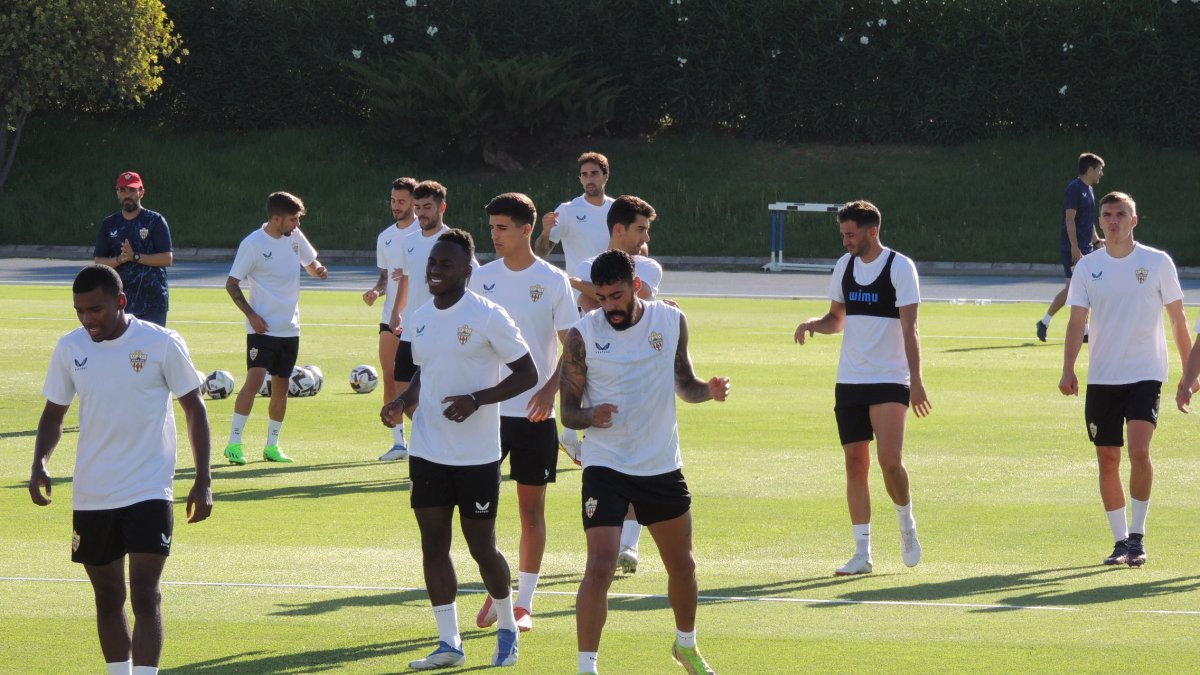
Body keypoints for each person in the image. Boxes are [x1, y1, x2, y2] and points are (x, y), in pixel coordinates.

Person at [29, 264, 212, 675]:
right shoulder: (69, 348)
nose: (87, 319)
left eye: (95, 309)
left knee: (146, 595)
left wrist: (203, 478)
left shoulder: (161, 343)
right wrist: (40, 462)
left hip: (149, 487)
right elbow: (53, 414)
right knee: (108, 597)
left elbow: (194, 409)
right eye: (80, 311)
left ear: (121, 302)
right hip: (93, 491)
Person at [562, 249, 729, 675]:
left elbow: (685, 384)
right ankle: (586, 667)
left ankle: (685, 646)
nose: (608, 307)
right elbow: (568, 411)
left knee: (683, 565)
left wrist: (708, 391)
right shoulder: (582, 335)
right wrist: (589, 416)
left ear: (635, 286)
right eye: (600, 298)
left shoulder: (670, 320)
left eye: (616, 296)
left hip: (659, 464)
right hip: (606, 464)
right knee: (600, 564)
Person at [380, 229, 537, 669]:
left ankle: (507, 626)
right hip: (429, 450)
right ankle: (449, 643)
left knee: (480, 546)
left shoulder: (489, 316)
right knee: (433, 545)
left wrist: (477, 401)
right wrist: (401, 402)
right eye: (432, 263)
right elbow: (424, 373)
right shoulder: (421, 317)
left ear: (467, 271)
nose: (434, 270)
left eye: (445, 265)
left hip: (476, 456)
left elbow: (528, 374)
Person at [794, 200, 930, 576]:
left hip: (890, 379)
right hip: (850, 380)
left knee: (889, 463)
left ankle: (906, 523)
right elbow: (837, 319)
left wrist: (916, 381)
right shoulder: (845, 266)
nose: (845, 241)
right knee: (855, 464)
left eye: (851, 234)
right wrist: (812, 324)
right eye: (843, 234)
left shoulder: (900, 268)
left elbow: (910, 329)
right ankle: (862, 554)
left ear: (873, 231)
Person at [1061, 192, 1192, 568]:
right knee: (1107, 458)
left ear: (1134, 220)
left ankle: (1137, 537)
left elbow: (1178, 319)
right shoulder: (1088, 267)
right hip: (1103, 376)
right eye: (1107, 215)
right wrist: (1068, 368)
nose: (1113, 220)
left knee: (1138, 451)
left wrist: (1189, 372)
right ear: (1100, 222)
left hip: (1145, 373)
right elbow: (1076, 323)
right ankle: (1119, 541)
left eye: (1121, 214)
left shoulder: (1156, 262)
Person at [470, 193, 576, 634]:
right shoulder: (480, 279)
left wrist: (549, 390)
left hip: (534, 416)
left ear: (525, 229)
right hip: (487, 416)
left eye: (501, 228)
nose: (493, 235)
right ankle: (499, 594)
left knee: (532, 511)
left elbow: (573, 347)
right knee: (480, 513)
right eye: (492, 227)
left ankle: (523, 604)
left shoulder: (553, 280)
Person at [570, 194, 664, 575]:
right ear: (619, 229)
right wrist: (586, 286)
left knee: (635, 463)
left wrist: (584, 285)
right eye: (641, 229)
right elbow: (595, 310)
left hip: (640, 377)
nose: (646, 237)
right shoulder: (586, 265)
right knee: (605, 463)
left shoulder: (650, 268)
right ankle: (614, 542)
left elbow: (623, 305)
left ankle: (630, 544)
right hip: (596, 376)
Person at [222, 192, 328, 465]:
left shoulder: (294, 237)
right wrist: (252, 315)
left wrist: (318, 270)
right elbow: (231, 283)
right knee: (255, 382)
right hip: (262, 329)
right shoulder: (253, 244)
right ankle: (234, 443)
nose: (297, 225)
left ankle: (272, 446)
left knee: (281, 389)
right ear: (276, 218)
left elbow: (310, 262)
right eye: (293, 220)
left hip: (290, 328)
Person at [390, 181, 478, 439]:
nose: (421, 213)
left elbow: (474, 278)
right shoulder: (408, 242)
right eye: (417, 207)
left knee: (437, 389)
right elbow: (407, 278)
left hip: (443, 329)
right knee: (402, 391)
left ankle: (443, 439)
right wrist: (397, 311)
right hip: (411, 330)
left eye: (427, 206)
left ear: (442, 207)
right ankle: (436, 435)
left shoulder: (453, 242)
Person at [363, 177, 419, 461]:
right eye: (393, 201)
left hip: (419, 318)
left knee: (420, 379)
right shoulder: (385, 237)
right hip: (391, 317)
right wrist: (376, 290)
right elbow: (384, 277)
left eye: (402, 201)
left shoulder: (426, 233)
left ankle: (428, 437)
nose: (396, 206)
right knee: (389, 374)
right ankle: (399, 443)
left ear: (413, 202)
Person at [1036, 153, 1105, 342]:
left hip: (1087, 247)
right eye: (1099, 169)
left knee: (1084, 287)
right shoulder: (1074, 189)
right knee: (1074, 289)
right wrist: (1075, 246)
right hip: (1074, 249)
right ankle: (1046, 322)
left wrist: (1097, 241)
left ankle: (1083, 331)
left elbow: (1087, 220)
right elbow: (1070, 219)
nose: (1101, 173)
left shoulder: (1089, 190)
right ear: (1090, 169)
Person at [93, 171, 174, 326]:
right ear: (117, 193)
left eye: (132, 190)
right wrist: (120, 259)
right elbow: (99, 262)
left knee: (152, 348)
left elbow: (167, 258)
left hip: (153, 302)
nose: (127, 195)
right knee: (121, 349)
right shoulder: (109, 224)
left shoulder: (155, 220)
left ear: (141, 192)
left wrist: (135, 256)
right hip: (120, 302)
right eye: (122, 190)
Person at [534, 151, 615, 278]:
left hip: (612, 291)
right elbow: (540, 253)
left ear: (606, 176)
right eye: (584, 175)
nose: (589, 179)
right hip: (579, 293)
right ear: (580, 179)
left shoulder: (617, 208)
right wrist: (545, 233)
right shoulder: (567, 210)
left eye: (594, 173)